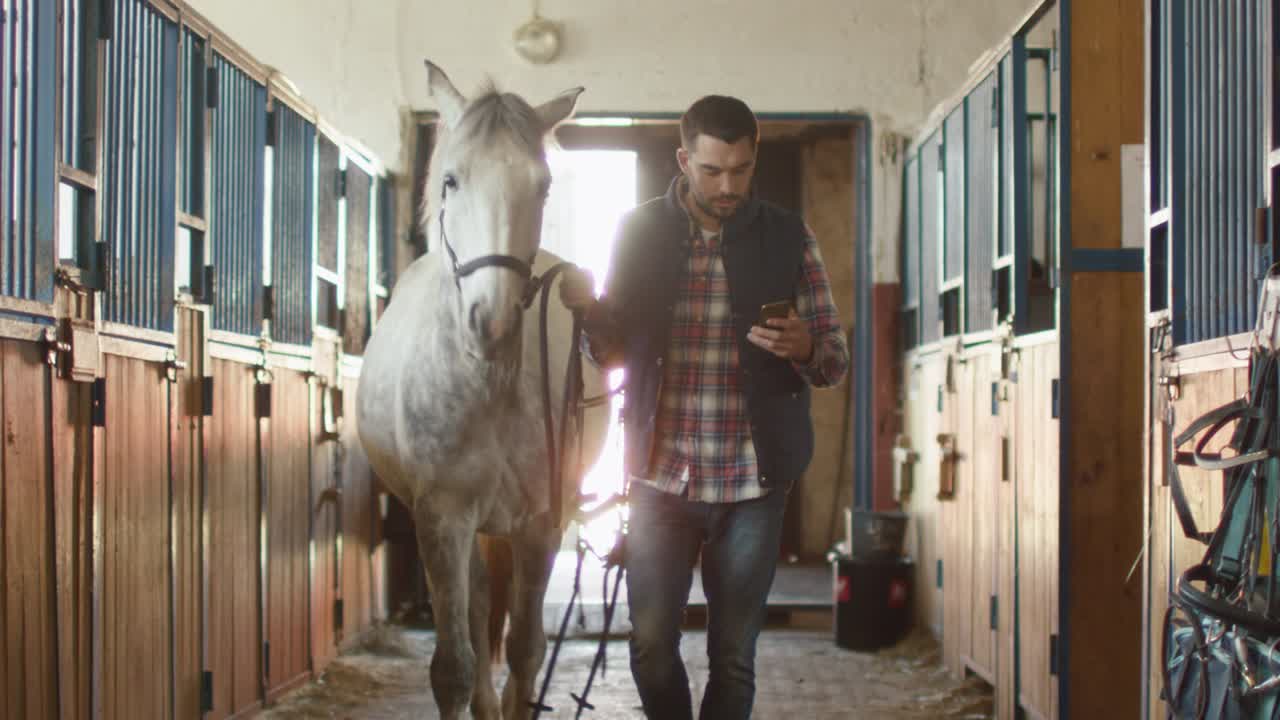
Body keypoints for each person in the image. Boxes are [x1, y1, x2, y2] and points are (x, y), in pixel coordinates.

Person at [558, 94, 850, 720]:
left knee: (734, 654)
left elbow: (834, 361)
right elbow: (609, 351)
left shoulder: (789, 237)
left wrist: (806, 347)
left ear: (754, 159)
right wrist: (590, 316)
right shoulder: (638, 231)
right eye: (713, 170)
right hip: (661, 475)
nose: (728, 186)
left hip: (754, 480)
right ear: (684, 159)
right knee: (651, 644)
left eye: (741, 170)